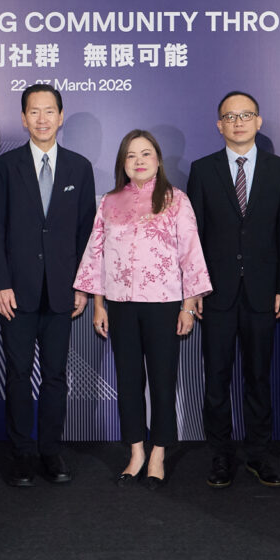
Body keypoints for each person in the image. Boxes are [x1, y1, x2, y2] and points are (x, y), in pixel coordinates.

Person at [76, 130, 210, 489]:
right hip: (120, 306)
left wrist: (188, 306)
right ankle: (136, 451)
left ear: (158, 160)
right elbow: (96, 254)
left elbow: (190, 252)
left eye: (146, 153)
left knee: (163, 382)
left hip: (163, 305)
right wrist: (98, 305)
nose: (138, 161)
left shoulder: (175, 199)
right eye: (131, 155)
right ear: (123, 163)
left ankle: (158, 453)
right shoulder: (109, 202)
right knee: (128, 381)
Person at [0, 83, 96, 487]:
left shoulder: (79, 167)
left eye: (50, 111)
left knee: (55, 375)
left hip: (62, 290)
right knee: (17, 374)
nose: (42, 119)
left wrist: (83, 285)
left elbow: (87, 233)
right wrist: (0, 283)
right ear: (23, 118)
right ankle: (21, 452)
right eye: (34, 111)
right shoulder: (4, 167)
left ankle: (50, 450)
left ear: (61, 117)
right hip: (17, 291)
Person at [184, 92, 280, 488]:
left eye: (245, 115)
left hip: (263, 293)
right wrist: (194, 288)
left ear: (258, 121)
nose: (238, 122)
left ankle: (259, 455)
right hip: (216, 293)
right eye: (229, 117)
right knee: (216, 379)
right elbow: (193, 237)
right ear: (219, 125)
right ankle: (220, 455)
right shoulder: (203, 170)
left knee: (258, 378)